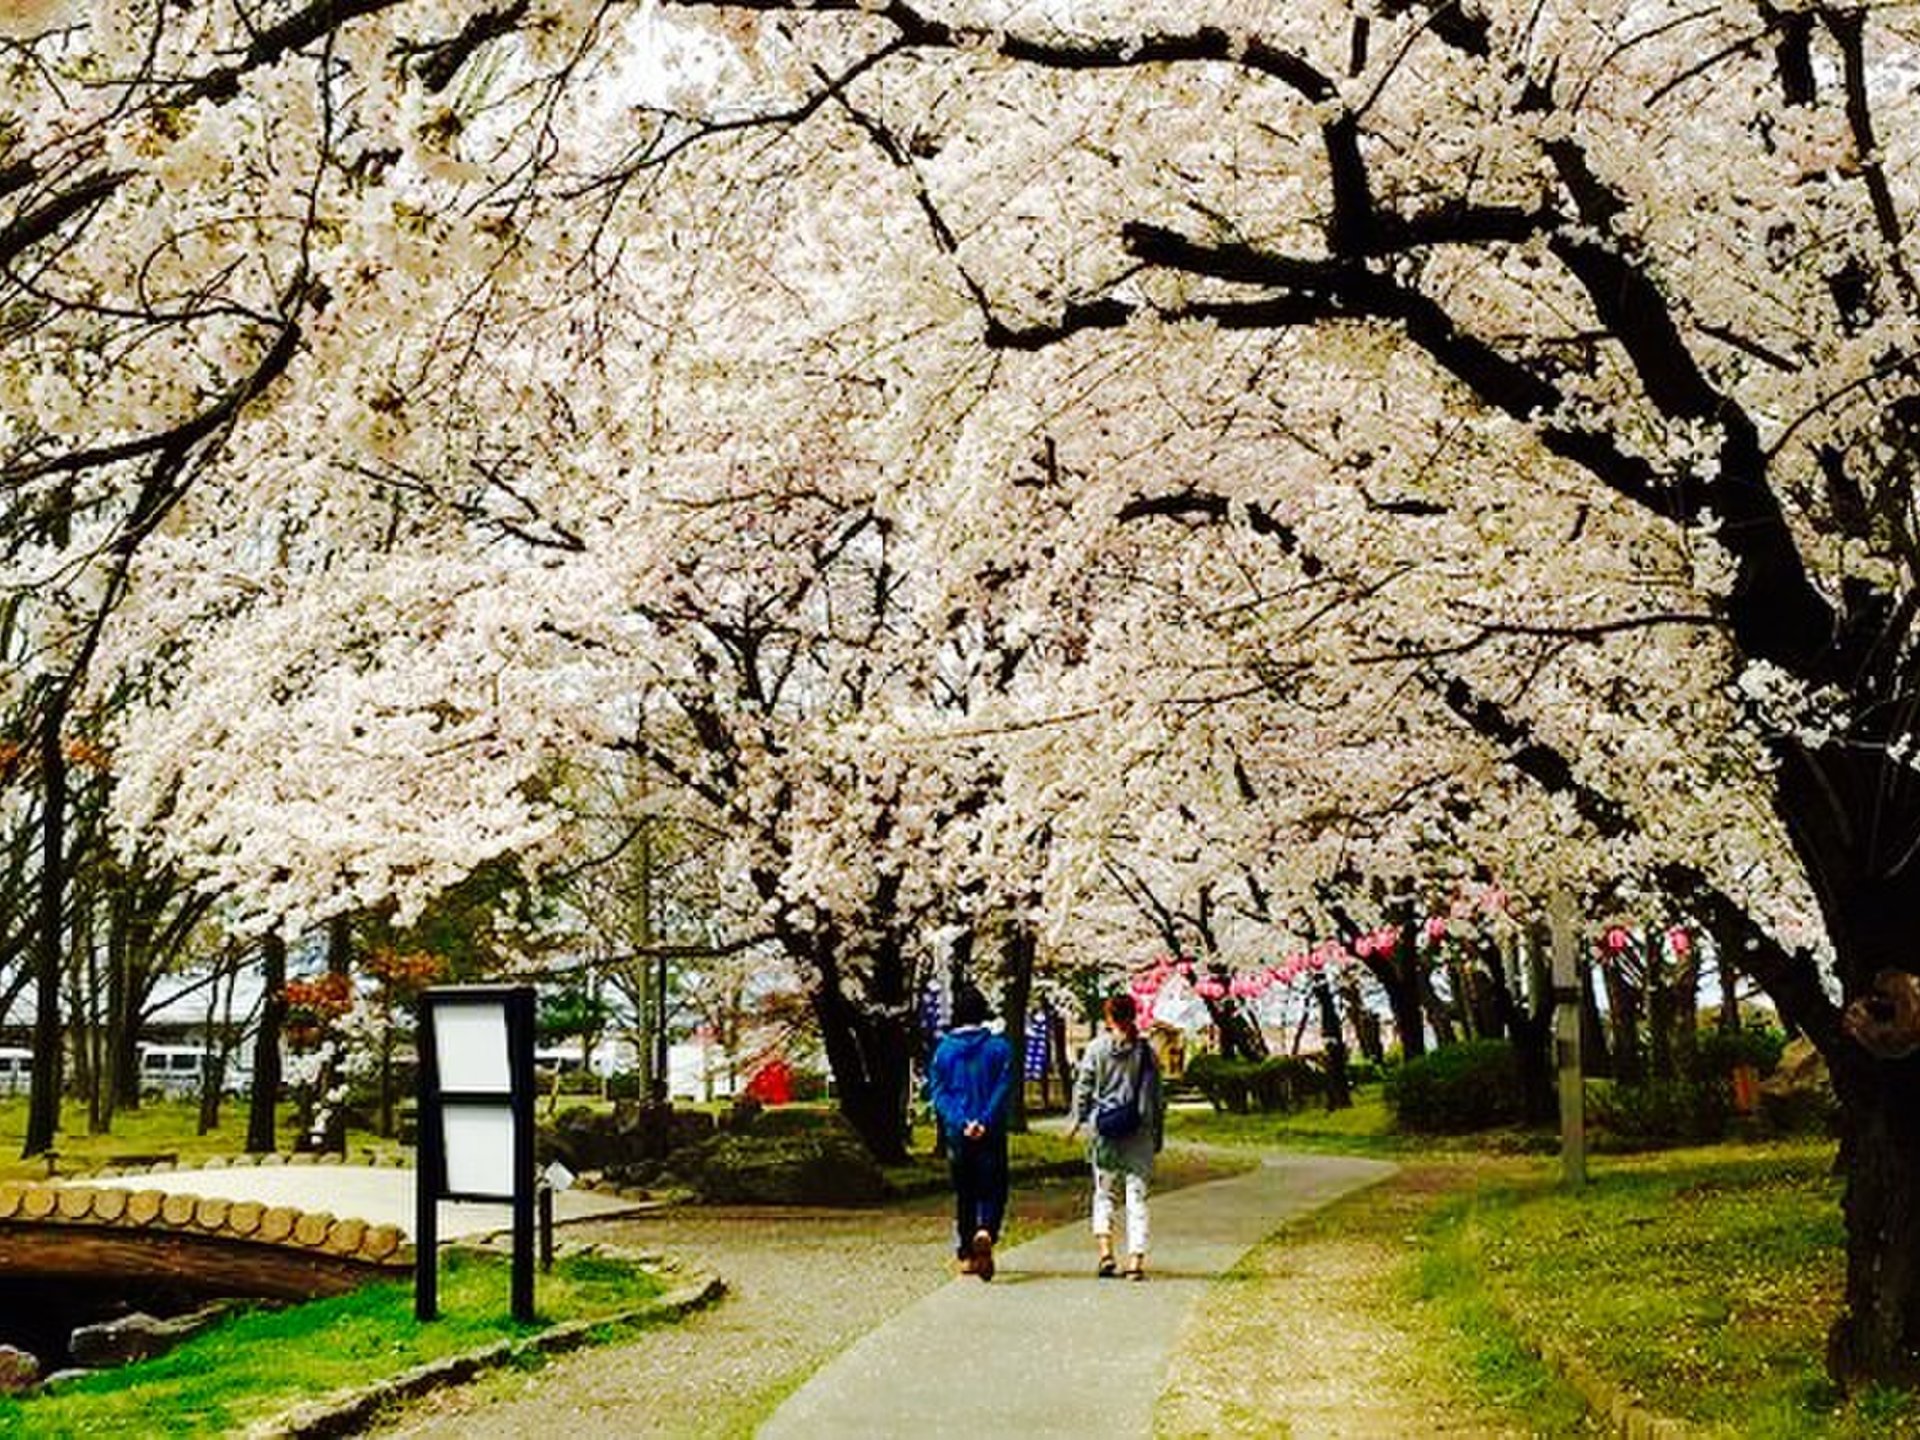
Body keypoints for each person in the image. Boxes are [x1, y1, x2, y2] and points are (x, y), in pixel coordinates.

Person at [1069, 993, 1163, 1281]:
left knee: (1104, 1194)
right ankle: (1135, 1261)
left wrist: (1076, 1121)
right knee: (1137, 1198)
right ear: (1133, 1015)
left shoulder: (1097, 1049)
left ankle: (1106, 1253)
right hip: (1139, 1134)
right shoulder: (1146, 1052)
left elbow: (1083, 1089)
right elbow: (1157, 1099)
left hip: (1105, 1133)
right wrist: (1157, 1135)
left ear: (1109, 1018)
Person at [927, 983, 1015, 1280]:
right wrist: (984, 1120)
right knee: (994, 1187)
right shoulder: (999, 1048)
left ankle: (965, 1253)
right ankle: (986, 1230)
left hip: (958, 1133)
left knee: (965, 1192)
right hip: (990, 1132)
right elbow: (1003, 1088)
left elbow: (939, 1094)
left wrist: (962, 1121)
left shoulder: (944, 1052)